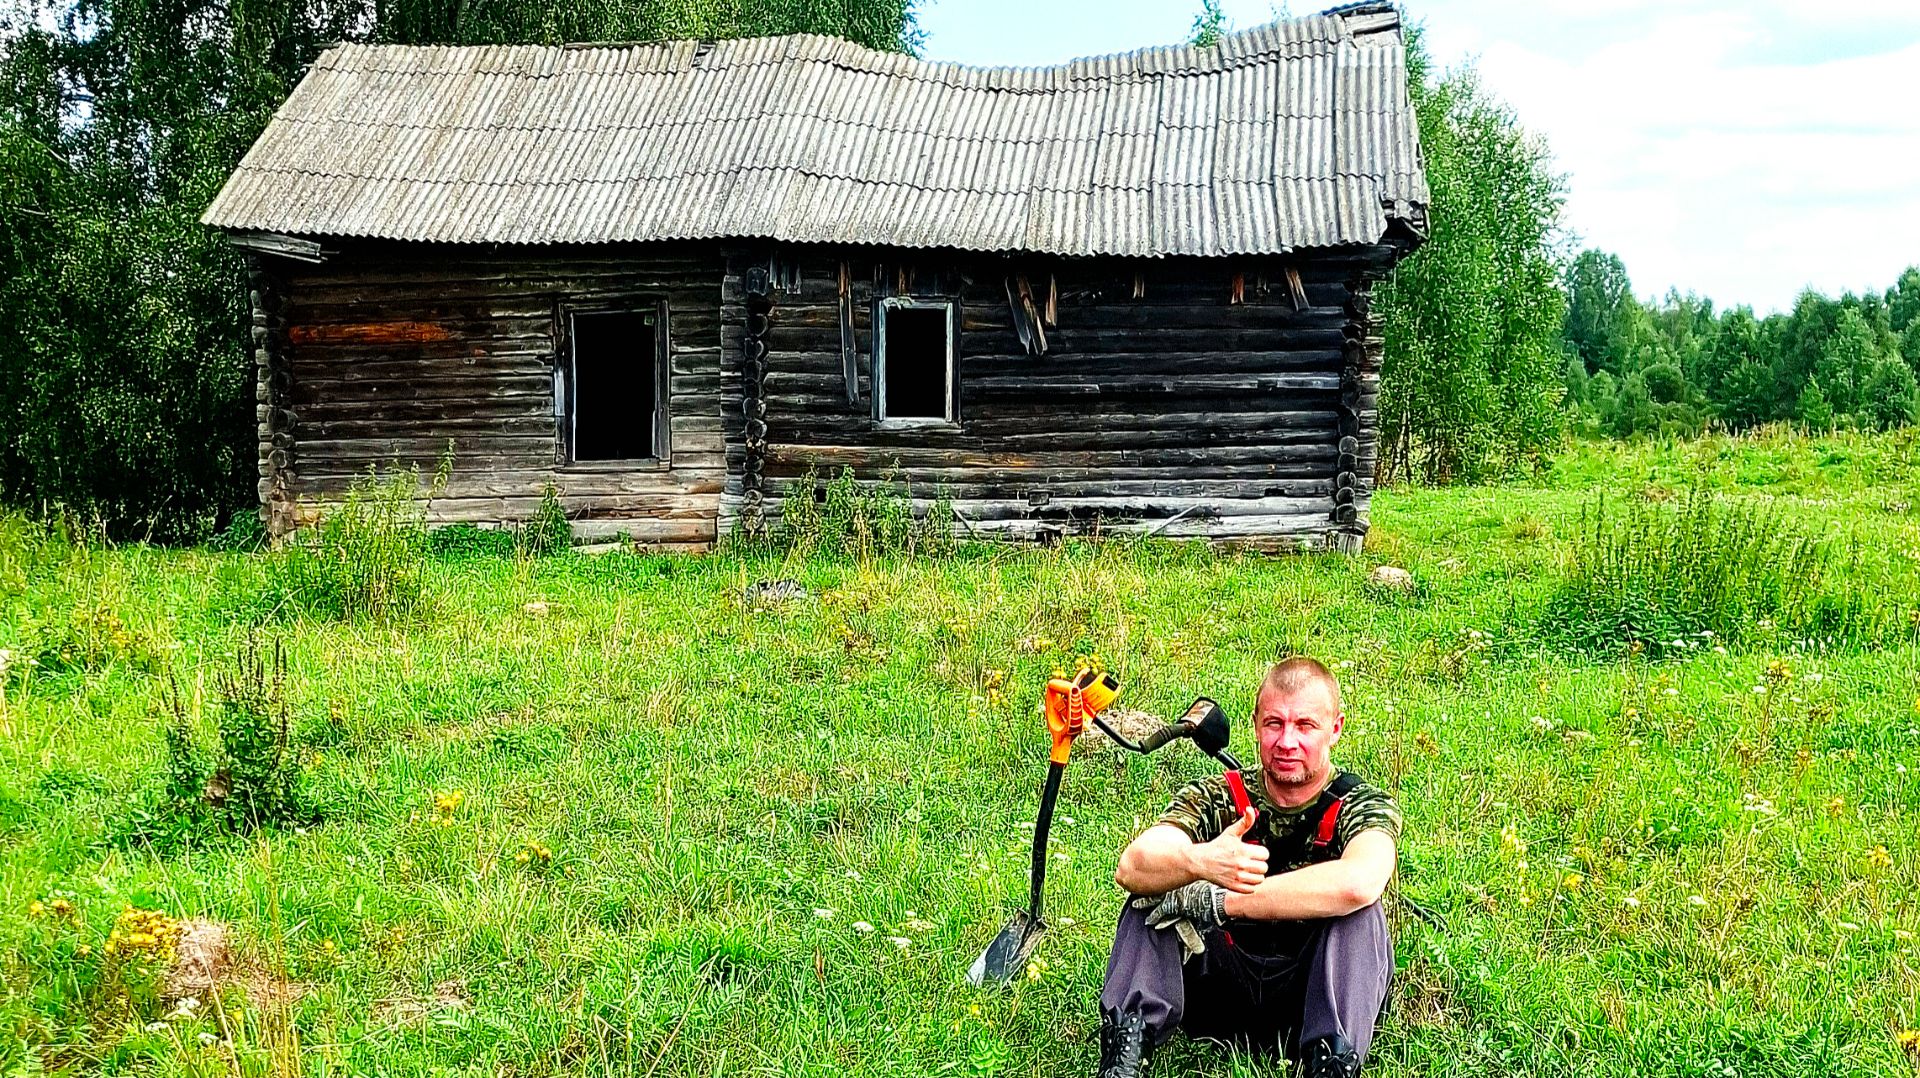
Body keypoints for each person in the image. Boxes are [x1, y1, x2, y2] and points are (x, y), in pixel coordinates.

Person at [1097, 657, 1402, 1078]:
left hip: (1310, 996)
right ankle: (1125, 1056)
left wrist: (1222, 900)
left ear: (1335, 729)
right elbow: (1133, 865)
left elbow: (1359, 881)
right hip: (1219, 986)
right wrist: (1198, 861)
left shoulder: (1362, 804)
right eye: (1274, 723)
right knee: (1151, 893)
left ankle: (1330, 1064)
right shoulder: (1216, 795)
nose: (1287, 741)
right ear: (1256, 725)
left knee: (1361, 913)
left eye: (1305, 726)